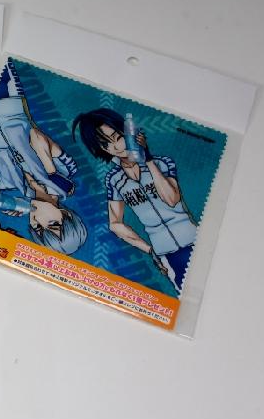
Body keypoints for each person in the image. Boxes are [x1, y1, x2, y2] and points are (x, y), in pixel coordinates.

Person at [0, 62, 87, 255]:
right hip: (6, 95)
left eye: (37, 228)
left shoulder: (13, 183)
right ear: (65, 214)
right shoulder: (65, 172)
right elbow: (35, 136)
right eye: (52, 224)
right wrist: (50, 174)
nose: (37, 220)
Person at [72, 107, 196, 294]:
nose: (116, 146)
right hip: (164, 253)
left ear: (127, 131)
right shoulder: (114, 179)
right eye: (106, 144)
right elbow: (115, 224)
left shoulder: (162, 163)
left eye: (118, 137)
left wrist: (148, 159)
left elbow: (172, 199)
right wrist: (149, 250)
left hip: (193, 240)